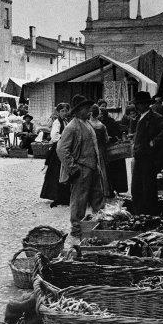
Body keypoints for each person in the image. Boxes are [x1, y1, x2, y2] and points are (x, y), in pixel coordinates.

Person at [56, 95, 104, 237]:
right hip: (81, 168)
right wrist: (72, 167)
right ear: (78, 110)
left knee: (98, 197)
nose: (89, 110)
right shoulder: (72, 127)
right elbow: (61, 149)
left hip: (94, 167)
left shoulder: (87, 123)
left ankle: (100, 224)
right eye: (85, 108)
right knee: (79, 200)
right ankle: (77, 228)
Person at [131, 91, 163, 215]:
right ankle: (140, 214)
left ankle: (150, 215)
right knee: (137, 188)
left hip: (148, 158)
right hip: (140, 157)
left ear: (145, 104)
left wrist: (154, 142)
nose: (136, 106)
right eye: (136, 103)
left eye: (138, 104)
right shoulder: (141, 117)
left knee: (148, 188)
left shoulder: (154, 117)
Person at [40, 103, 71, 207]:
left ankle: (63, 195)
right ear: (58, 112)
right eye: (62, 111)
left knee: (63, 172)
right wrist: (64, 138)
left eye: (66, 111)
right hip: (58, 149)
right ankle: (55, 195)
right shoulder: (57, 122)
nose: (64, 113)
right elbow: (54, 136)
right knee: (56, 172)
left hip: (64, 148)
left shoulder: (66, 121)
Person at [99, 107, 128, 196]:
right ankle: (116, 189)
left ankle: (112, 189)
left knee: (110, 171)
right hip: (114, 150)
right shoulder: (110, 122)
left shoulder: (103, 124)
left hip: (109, 149)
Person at [89, 104, 111, 198]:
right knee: (102, 170)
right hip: (100, 150)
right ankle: (104, 191)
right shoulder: (102, 126)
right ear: (98, 114)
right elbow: (106, 139)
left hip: (90, 150)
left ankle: (91, 192)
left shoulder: (87, 124)